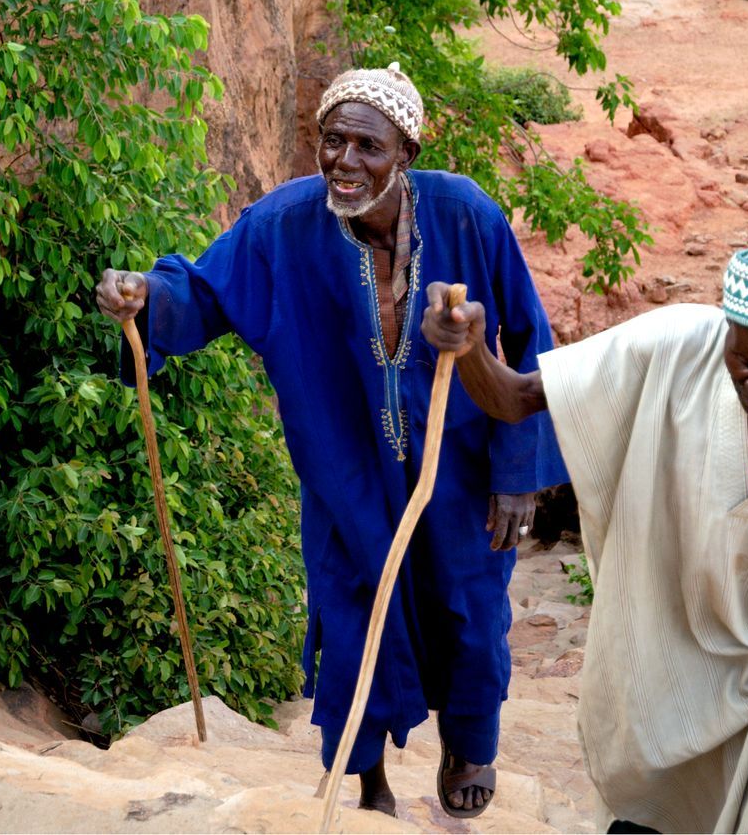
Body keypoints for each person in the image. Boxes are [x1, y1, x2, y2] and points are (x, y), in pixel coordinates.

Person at [96, 63, 567, 819]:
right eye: (333, 141)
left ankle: (468, 744)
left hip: (460, 462)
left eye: (368, 147)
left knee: (471, 610)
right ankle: (368, 778)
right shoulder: (283, 225)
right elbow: (206, 290)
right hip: (343, 462)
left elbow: (531, 335)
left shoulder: (467, 215)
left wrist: (520, 472)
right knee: (350, 613)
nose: (345, 162)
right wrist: (147, 295)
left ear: (406, 152)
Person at [420, 239, 748, 834]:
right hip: (676, 646)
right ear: (727, 326)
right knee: (659, 806)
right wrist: (470, 349)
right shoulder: (672, 345)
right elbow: (517, 398)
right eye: (747, 363)